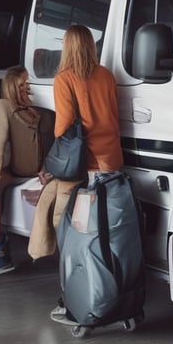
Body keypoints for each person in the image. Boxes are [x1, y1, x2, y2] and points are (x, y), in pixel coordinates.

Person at [47, 24, 124, 324]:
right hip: (112, 162)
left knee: (70, 233)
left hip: (82, 168)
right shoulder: (106, 75)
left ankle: (76, 301)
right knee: (107, 234)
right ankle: (111, 294)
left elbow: (62, 127)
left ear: (67, 47)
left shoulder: (64, 79)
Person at [0, 65, 44, 277]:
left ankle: (0, 251)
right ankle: (2, 245)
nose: (27, 86)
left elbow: (1, 142)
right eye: (26, 83)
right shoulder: (33, 110)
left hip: (16, 167)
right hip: (33, 168)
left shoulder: (0, 105)